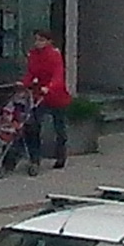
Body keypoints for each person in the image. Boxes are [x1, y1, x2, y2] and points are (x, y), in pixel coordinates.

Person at [20, 30, 72, 172]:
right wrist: (24, 83)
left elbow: (58, 75)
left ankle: (60, 155)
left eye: (41, 40)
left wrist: (49, 87)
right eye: (36, 40)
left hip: (55, 95)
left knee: (59, 128)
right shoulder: (33, 55)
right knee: (33, 125)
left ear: (49, 41)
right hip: (39, 96)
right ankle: (34, 158)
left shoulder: (54, 54)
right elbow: (31, 73)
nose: (38, 43)